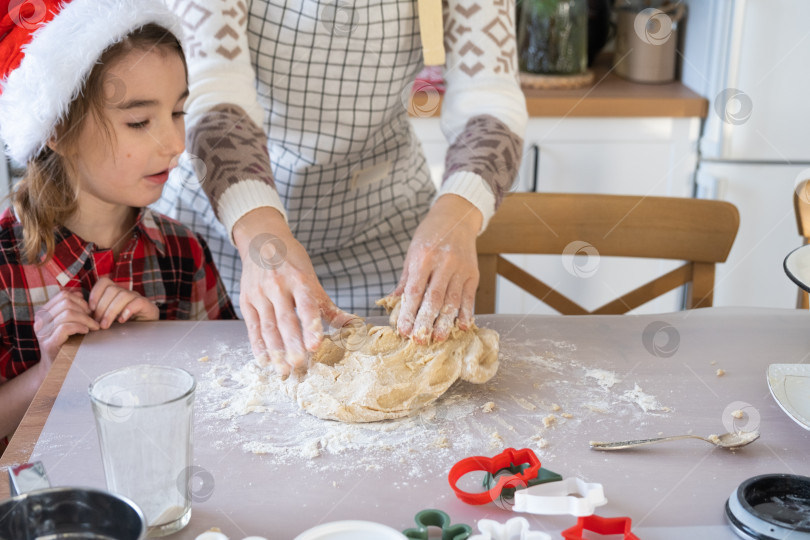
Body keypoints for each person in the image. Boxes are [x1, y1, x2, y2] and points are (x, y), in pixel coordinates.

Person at [156, 0, 528, 375]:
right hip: (225, 241)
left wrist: (457, 217)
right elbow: (212, 93)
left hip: (386, 242)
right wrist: (257, 228)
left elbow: (491, 99)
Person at [0, 0, 236, 447]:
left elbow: (228, 398)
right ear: (57, 129)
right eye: (139, 121)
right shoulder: (4, 265)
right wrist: (49, 375)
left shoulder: (185, 253)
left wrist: (153, 347)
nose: (173, 143)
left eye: (178, 112)